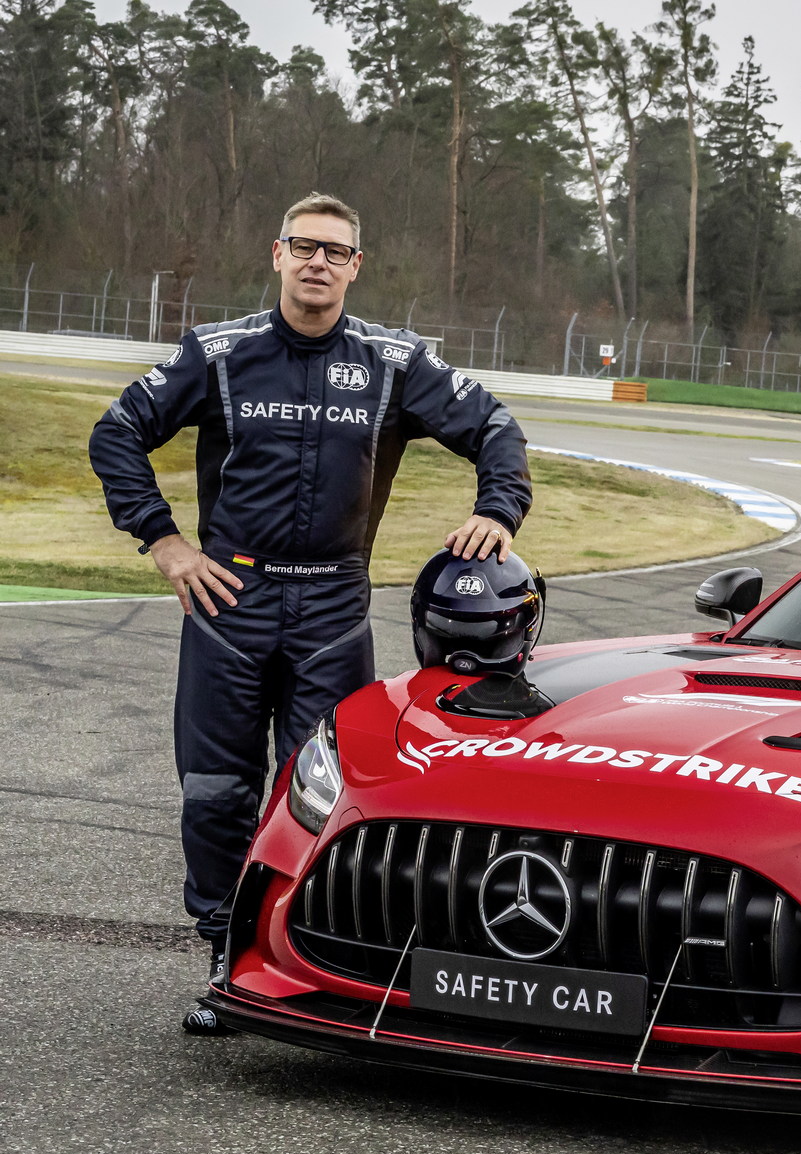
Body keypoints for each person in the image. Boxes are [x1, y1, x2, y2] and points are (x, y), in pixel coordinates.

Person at [89, 193, 533, 1033]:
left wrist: (498, 510)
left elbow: (497, 429)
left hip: (333, 605)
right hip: (229, 599)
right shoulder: (219, 353)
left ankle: (310, 966)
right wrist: (166, 544)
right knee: (216, 794)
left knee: (321, 795)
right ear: (278, 254)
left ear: (355, 267)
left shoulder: (394, 362)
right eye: (304, 247)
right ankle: (226, 964)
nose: (317, 262)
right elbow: (116, 433)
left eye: (334, 251)